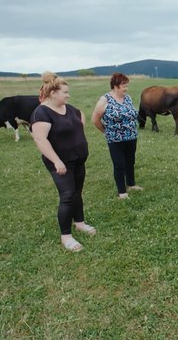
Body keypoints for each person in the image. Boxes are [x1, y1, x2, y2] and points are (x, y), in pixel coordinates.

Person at [31, 71, 96, 252]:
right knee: (67, 196)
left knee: (77, 192)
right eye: (65, 92)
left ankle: (80, 223)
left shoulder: (69, 108)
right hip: (61, 163)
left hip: (78, 160)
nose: (68, 95)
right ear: (53, 93)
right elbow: (40, 140)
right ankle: (66, 236)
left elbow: (79, 118)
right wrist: (56, 161)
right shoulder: (41, 113)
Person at [91, 73, 142, 199]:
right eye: (124, 85)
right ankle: (122, 192)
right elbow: (95, 119)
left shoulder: (128, 98)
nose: (126, 88)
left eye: (127, 85)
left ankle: (131, 184)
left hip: (131, 136)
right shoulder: (105, 100)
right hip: (115, 138)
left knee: (130, 161)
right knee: (119, 164)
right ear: (115, 86)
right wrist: (106, 131)